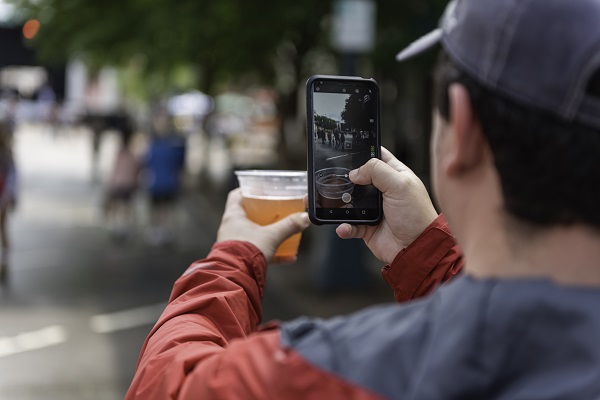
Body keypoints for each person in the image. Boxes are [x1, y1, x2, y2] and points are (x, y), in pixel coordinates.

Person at [126, 0, 600, 398]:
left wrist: (231, 259)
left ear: (463, 132)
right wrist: (429, 258)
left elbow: (169, 385)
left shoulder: (339, 371)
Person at [142, 107, 186, 246]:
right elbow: (146, 162)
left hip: (168, 182)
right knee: (156, 208)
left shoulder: (173, 143)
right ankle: (157, 231)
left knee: (167, 208)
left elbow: (180, 163)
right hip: (156, 182)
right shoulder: (152, 142)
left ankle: (166, 231)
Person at [103, 123, 139, 241]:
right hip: (128, 184)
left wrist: (110, 183)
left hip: (119, 184)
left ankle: (118, 226)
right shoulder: (132, 154)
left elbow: (114, 170)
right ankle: (123, 227)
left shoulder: (120, 153)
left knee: (118, 206)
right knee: (125, 207)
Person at [0, 122, 16, 284]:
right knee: (3, 230)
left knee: (3, 229)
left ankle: (4, 263)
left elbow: (13, 177)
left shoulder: (7, 154)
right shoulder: (7, 153)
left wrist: (8, 196)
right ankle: (4, 262)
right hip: (4, 196)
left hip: (3, 197)